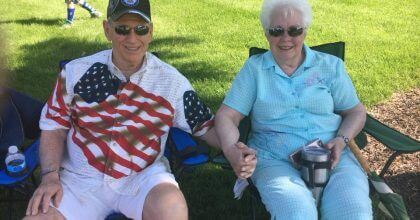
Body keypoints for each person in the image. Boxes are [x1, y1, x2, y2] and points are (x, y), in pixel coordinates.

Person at [24, 0, 255, 219]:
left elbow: (206, 127)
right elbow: (53, 126)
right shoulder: (75, 73)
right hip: (80, 179)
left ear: (151, 32)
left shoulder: (171, 82)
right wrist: (49, 176)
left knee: (171, 207)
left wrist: (232, 149)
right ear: (107, 29)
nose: (132, 38)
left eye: (141, 29)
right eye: (122, 28)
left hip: (142, 178)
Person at [215, 0, 372, 219]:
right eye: (276, 31)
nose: (286, 38)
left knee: (353, 212)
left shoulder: (330, 66)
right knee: (297, 213)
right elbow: (226, 115)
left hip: (332, 155)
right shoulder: (255, 69)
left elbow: (355, 111)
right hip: (275, 159)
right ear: (266, 33)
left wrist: (341, 140)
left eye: (295, 30)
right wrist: (233, 152)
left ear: (305, 31)